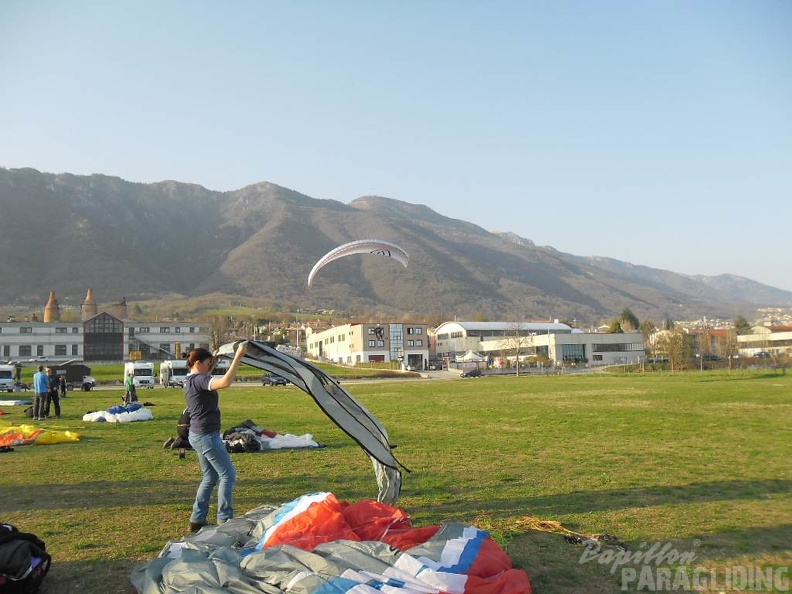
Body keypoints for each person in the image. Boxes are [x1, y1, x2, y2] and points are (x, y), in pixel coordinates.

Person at [184, 341, 248, 533]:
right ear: (198, 364)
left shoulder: (190, 380)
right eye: (207, 363)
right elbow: (225, 382)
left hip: (197, 434)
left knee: (210, 476)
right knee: (228, 475)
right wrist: (238, 357)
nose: (209, 367)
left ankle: (197, 519)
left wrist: (216, 358)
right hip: (206, 437)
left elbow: (210, 373)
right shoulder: (200, 380)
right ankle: (225, 519)